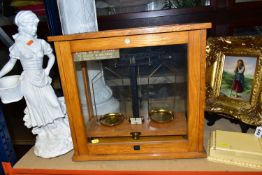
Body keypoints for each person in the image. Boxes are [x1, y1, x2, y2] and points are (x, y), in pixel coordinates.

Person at [0, 11, 72, 158]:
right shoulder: (18, 46)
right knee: (37, 107)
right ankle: (46, 133)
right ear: (21, 26)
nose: (34, 27)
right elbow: (10, 63)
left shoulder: (41, 43)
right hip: (29, 82)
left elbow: (52, 57)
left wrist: (47, 70)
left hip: (42, 79)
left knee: (53, 103)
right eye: (30, 25)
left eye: (35, 24)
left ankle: (61, 129)